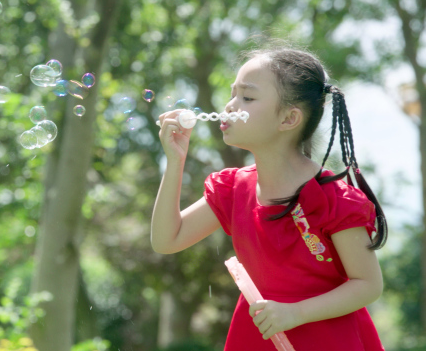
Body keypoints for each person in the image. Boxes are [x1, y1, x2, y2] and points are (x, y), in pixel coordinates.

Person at [151, 44, 386, 350]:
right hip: (259, 336)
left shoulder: (335, 200)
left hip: (328, 339)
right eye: (233, 93)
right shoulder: (234, 189)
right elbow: (167, 239)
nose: (231, 105)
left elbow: (368, 285)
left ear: (289, 119)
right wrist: (175, 161)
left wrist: (295, 313)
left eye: (247, 97)